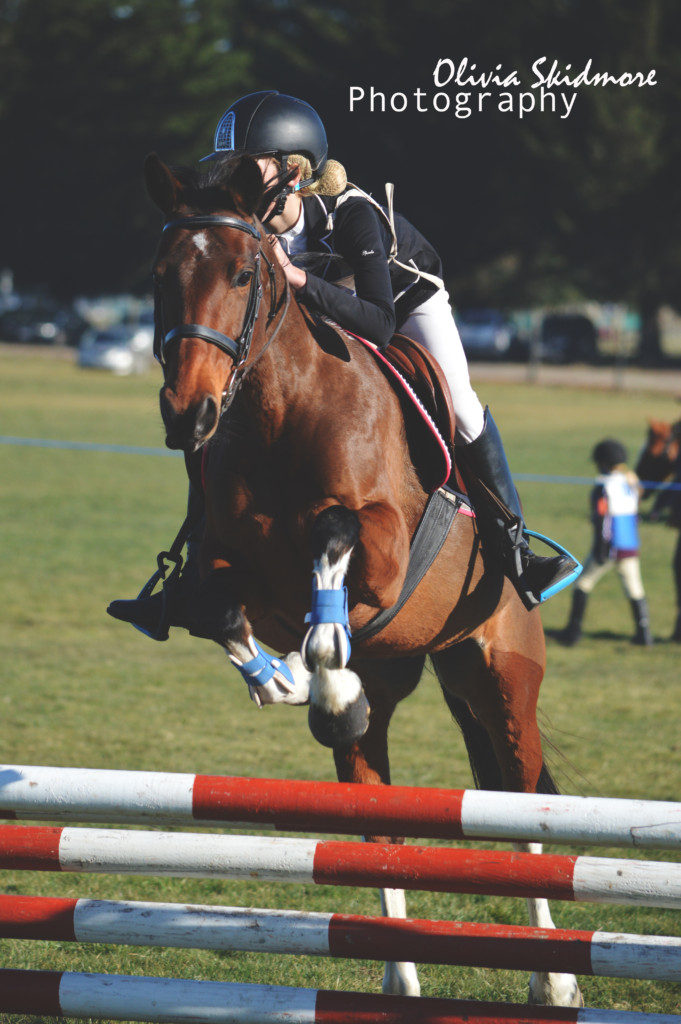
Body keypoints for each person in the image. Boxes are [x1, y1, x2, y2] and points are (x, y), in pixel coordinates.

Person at [109, 91, 577, 639]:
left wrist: (299, 278)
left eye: (246, 163)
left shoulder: (353, 213)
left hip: (405, 304)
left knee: (465, 406)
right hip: (325, 309)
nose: (232, 173)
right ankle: (190, 567)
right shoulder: (246, 226)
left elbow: (378, 321)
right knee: (220, 419)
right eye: (228, 164)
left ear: (292, 170)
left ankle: (513, 545)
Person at [560, 439, 652, 646]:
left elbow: (602, 519)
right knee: (634, 587)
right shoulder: (631, 483)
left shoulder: (603, 485)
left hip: (609, 545)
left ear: (602, 462)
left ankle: (573, 632)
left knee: (582, 583)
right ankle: (644, 634)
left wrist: (601, 548)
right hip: (629, 545)